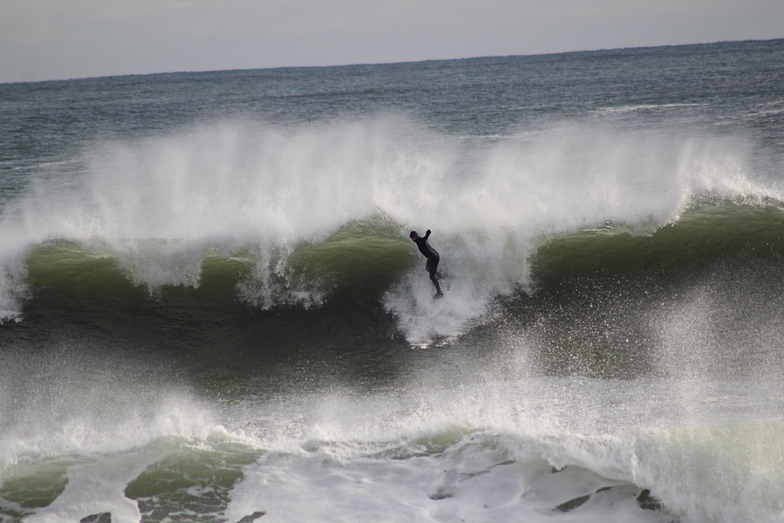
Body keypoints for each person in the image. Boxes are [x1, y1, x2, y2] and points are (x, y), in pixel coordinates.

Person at [410, 229, 443, 298]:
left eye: (413, 238)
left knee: (432, 276)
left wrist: (427, 234)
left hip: (434, 258)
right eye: (412, 238)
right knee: (427, 268)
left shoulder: (419, 241)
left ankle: (439, 292)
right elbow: (423, 240)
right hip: (432, 257)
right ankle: (441, 277)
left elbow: (424, 239)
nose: (412, 239)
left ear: (416, 236)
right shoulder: (418, 240)